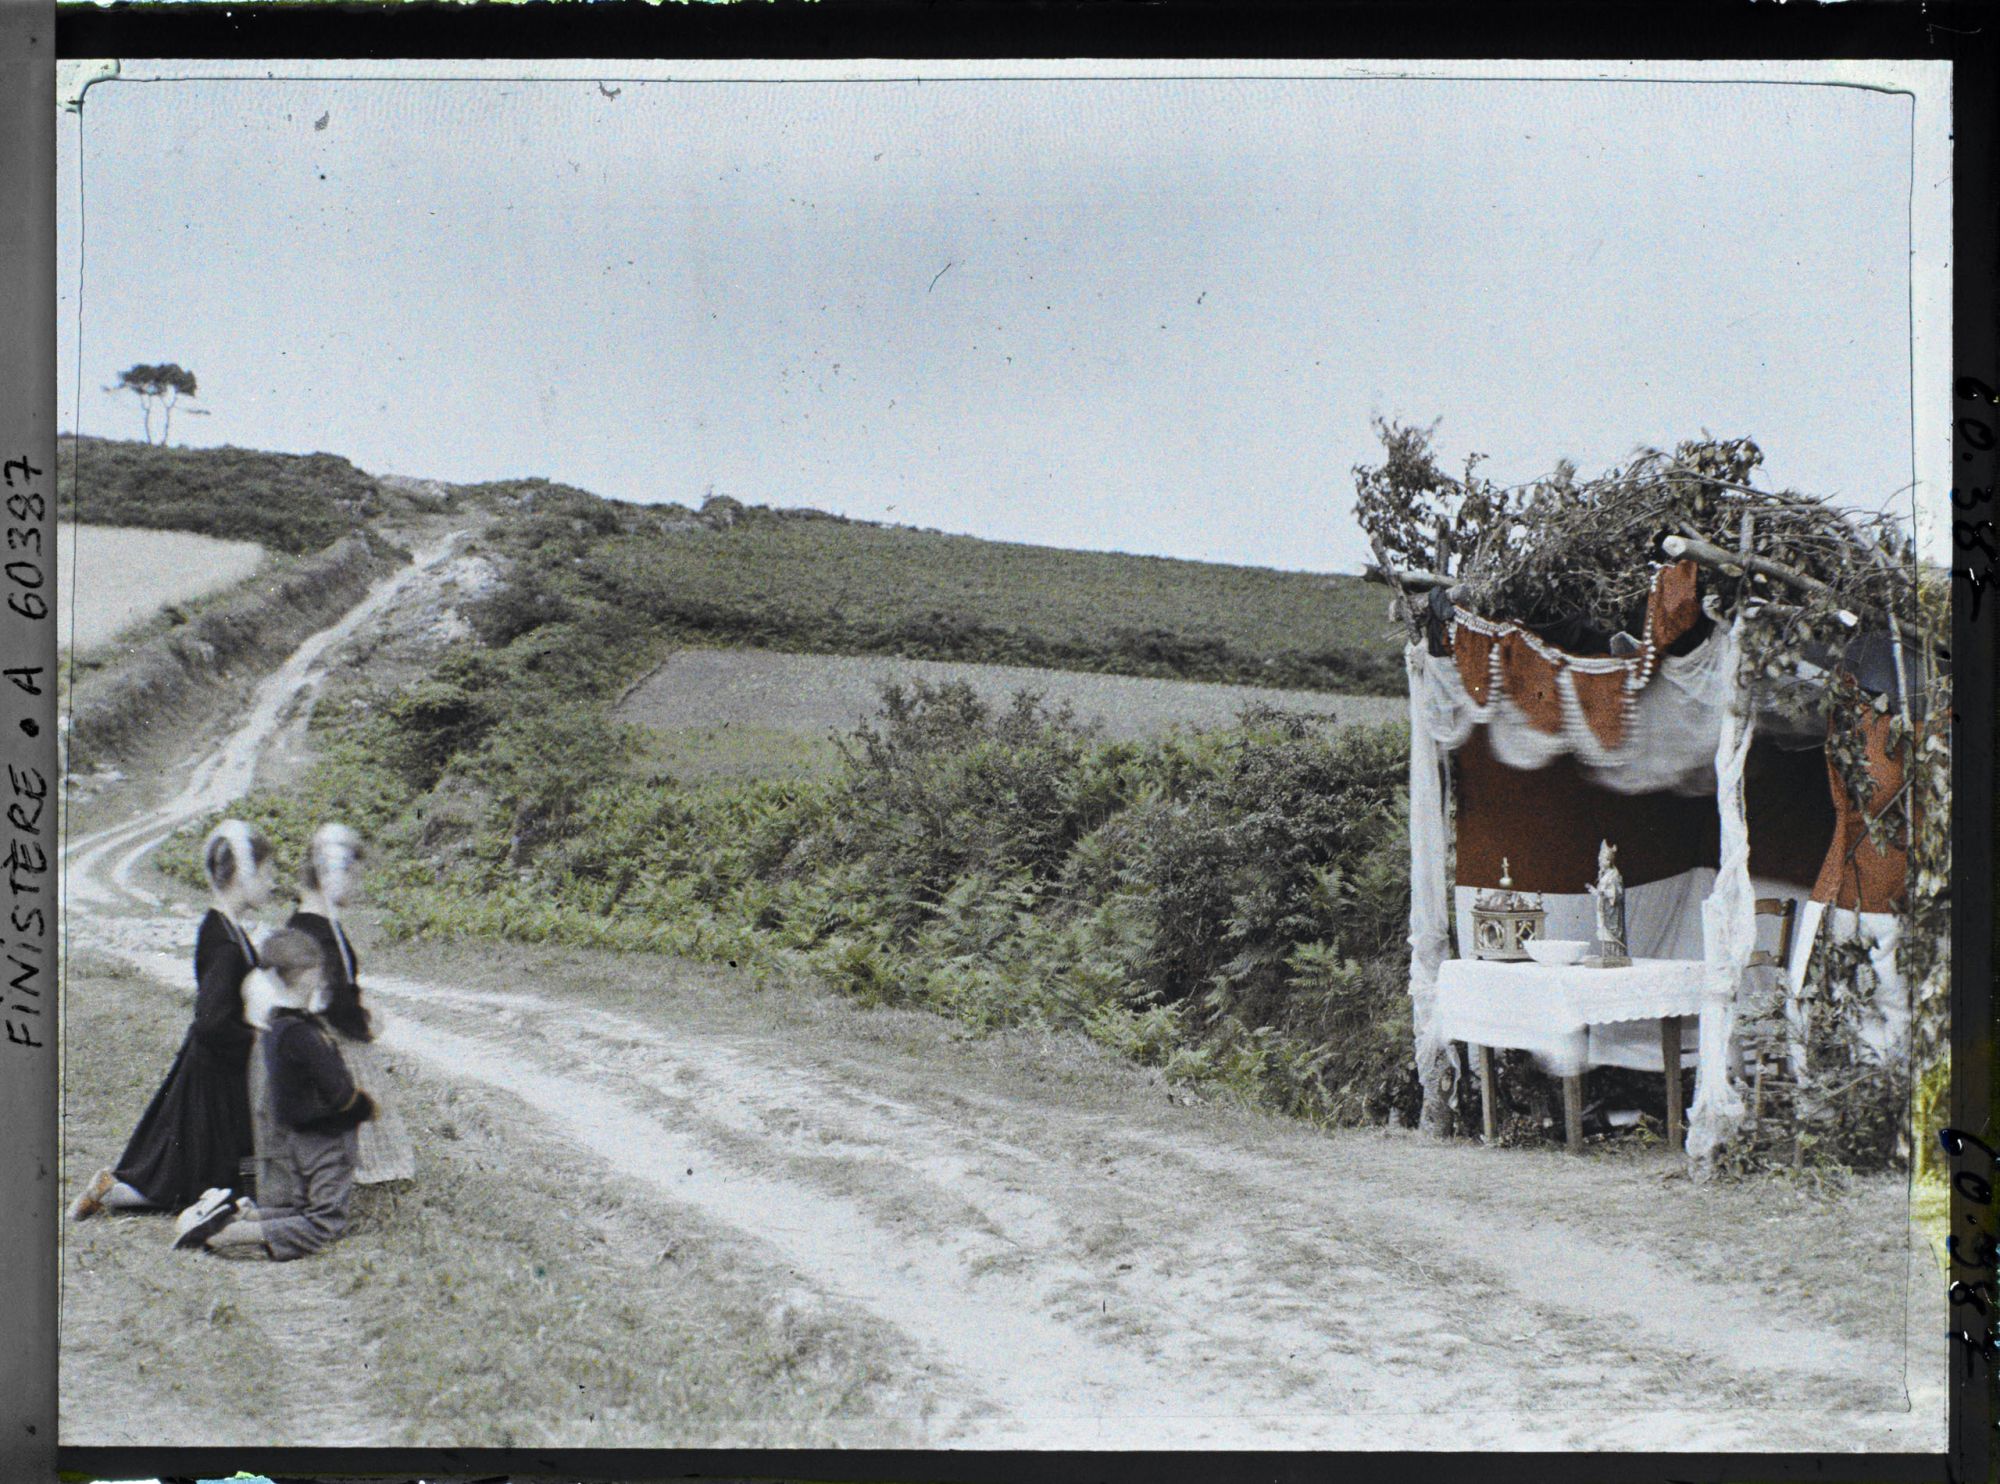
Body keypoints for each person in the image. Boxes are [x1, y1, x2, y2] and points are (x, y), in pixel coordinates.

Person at [69, 821, 274, 1221]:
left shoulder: (225, 928)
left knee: (185, 1174)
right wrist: (257, 1039)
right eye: (266, 873)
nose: (272, 883)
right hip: (213, 1077)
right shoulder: (225, 942)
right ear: (242, 875)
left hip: (211, 1068)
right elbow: (212, 1023)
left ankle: (113, 1188)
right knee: (191, 1184)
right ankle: (113, 1191)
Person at [173, 927, 374, 1259]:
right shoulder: (304, 1035)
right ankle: (229, 1234)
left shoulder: (274, 1027)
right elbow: (339, 1092)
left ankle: (239, 1215)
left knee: (301, 1207)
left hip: (298, 1140)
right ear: (309, 975)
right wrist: (363, 1107)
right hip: (326, 1140)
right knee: (324, 1223)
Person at [286, 823, 415, 1185]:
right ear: (334, 873)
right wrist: (365, 1022)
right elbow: (332, 1003)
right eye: (353, 875)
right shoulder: (319, 933)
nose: (357, 885)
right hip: (333, 1049)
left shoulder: (308, 923)